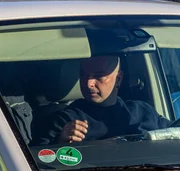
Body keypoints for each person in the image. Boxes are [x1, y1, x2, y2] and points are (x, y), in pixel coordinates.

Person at [35, 54, 172, 145]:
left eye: (98, 76)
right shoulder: (65, 120)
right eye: (84, 75)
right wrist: (60, 141)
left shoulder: (143, 112)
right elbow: (37, 160)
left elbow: (173, 134)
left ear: (118, 79)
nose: (89, 83)